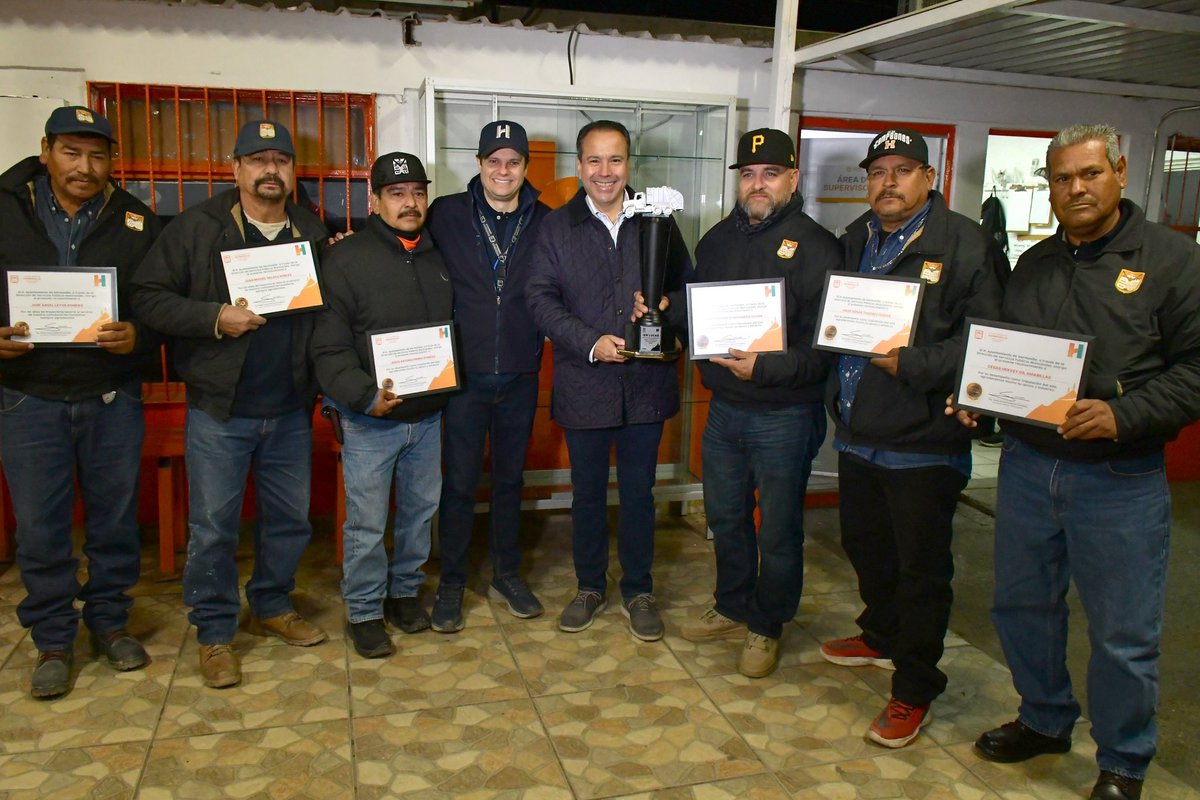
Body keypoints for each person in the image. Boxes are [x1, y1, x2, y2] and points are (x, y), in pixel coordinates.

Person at [959, 124, 1200, 800]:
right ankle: (1044, 719)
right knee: (1021, 606)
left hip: (1119, 479)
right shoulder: (1036, 263)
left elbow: (1197, 368)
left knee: (1123, 632)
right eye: (1062, 178)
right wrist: (979, 398)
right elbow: (1007, 354)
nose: (1076, 189)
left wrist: (1124, 414)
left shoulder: (1173, 262)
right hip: (1031, 467)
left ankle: (1123, 761)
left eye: (1089, 174)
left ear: (1120, 172)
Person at [818, 128, 1002, 747]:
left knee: (921, 568)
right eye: (877, 172)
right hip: (858, 430)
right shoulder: (856, 238)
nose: (887, 182)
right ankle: (881, 635)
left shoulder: (964, 244)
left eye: (901, 170)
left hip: (923, 439)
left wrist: (915, 364)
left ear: (929, 176)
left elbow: (987, 339)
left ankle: (915, 687)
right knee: (865, 544)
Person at [133, 119, 329, 689]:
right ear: (236, 168)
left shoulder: (312, 230)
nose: (271, 171)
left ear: (293, 172)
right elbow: (148, 297)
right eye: (258, 160)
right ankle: (215, 632)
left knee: (288, 521)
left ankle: (272, 604)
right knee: (214, 527)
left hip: (291, 407)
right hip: (220, 410)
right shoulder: (196, 229)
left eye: (281, 161)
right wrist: (214, 317)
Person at [660, 129, 839, 678]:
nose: (756, 184)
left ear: (792, 178)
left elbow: (826, 348)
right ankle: (734, 603)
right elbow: (696, 320)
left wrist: (766, 366)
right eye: (747, 174)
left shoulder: (819, 246)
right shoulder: (715, 242)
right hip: (725, 411)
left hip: (785, 413)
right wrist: (665, 311)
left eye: (769, 174)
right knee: (726, 517)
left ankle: (767, 624)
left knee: (778, 529)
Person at [0, 106, 160, 699]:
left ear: (111, 160)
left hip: (111, 396)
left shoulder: (136, 220)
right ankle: (52, 638)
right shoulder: (4, 208)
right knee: (40, 527)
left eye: (97, 155)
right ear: (45, 151)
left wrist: (138, 335)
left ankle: (110, 623)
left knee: (114, 522)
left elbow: (156, 303)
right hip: (27, 397)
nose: (84, 167)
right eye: (71, 152)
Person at [526, 120, 693, 641]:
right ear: (579, 166)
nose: (605, 172)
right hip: (586, 384)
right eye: (594, 161)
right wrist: (590, 342)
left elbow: (687, 289)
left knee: (640, 492)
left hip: (646, 387)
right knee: (589, 493)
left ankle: (639, 588)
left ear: (629, 165)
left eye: (615, 160)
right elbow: (540, 300)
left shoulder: (657, 221)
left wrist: (667, 307)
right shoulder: (557, 227)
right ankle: (589, 585)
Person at [312, 151, 452, 658]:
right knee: (367, 523)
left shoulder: (438, 255)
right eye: (396, 193)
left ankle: (404, 594)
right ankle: (365, 610)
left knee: (418, 516)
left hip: (428, 415)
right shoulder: (345, 260)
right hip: (370, 419)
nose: (409, 202)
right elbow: (327, 347)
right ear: (375, 200)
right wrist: (364, 397)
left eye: (417, 192)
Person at [426, 121, 551, 632]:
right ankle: (452, 580)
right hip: (463, 372)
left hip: (521, 371)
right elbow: (404, 255)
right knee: (457, 483)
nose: (503, 170)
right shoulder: (447, 214)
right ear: (479, 164)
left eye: (513, 162)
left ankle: (506, 572)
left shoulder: (546, 220)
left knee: (509, 480)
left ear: (525, 167)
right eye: (494, 161)